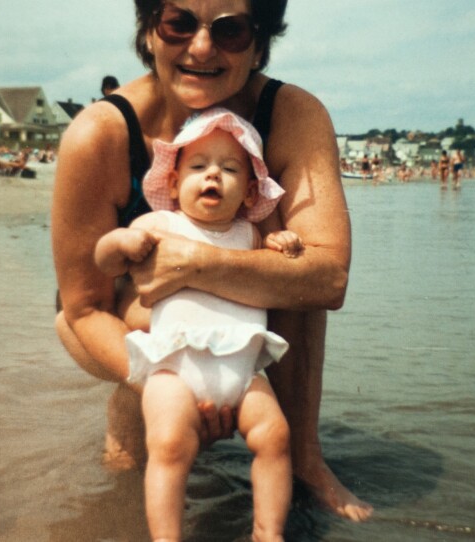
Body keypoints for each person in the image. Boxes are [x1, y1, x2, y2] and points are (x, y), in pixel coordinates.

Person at [52, 0, 373, 522]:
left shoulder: (292, 115)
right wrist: (178, 383)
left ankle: (304, 458)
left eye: (230, 30)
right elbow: (83, 308)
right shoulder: (101, 134)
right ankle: (133, 427)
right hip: (122, 316)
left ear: (259, 42)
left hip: (230, 312)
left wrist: (194, 263)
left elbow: (328, 275)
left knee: (292, 269)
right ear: (150, 31)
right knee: (134, 464)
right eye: (178, 23)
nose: (201, 47)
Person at [95, 108, 302, 541]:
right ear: (173, 183)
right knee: (170, 447)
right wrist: (122, 242)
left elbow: (275, 265)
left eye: (228, 169)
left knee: (276, 438)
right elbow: (105, 260)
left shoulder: (249, 236)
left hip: (245, 375)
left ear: (248, 193)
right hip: (176, 369)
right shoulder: (160, 224)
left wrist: (279, 242)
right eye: (199, 166)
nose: (213, 175)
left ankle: (268, 531)